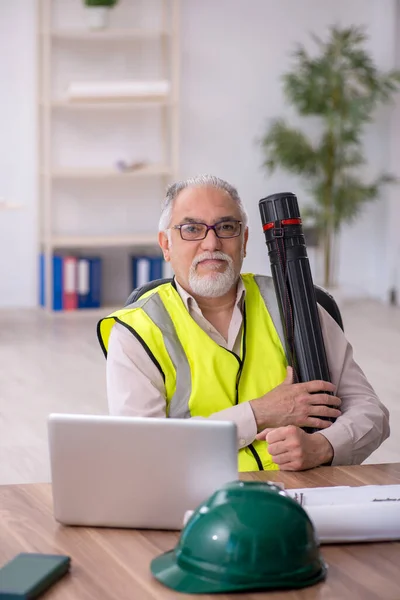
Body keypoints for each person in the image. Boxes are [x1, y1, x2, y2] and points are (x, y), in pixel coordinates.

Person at [97, 175, 389, 472]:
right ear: (166, 245)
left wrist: (323, 446)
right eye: (192, 229)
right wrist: (258, 413)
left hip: (302, 494)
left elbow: (371, 412)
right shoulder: (136, 331)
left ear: (245, 240)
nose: (211, 243)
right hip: (196, 501)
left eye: (226, 227)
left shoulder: (295, 304)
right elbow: (142, 449)